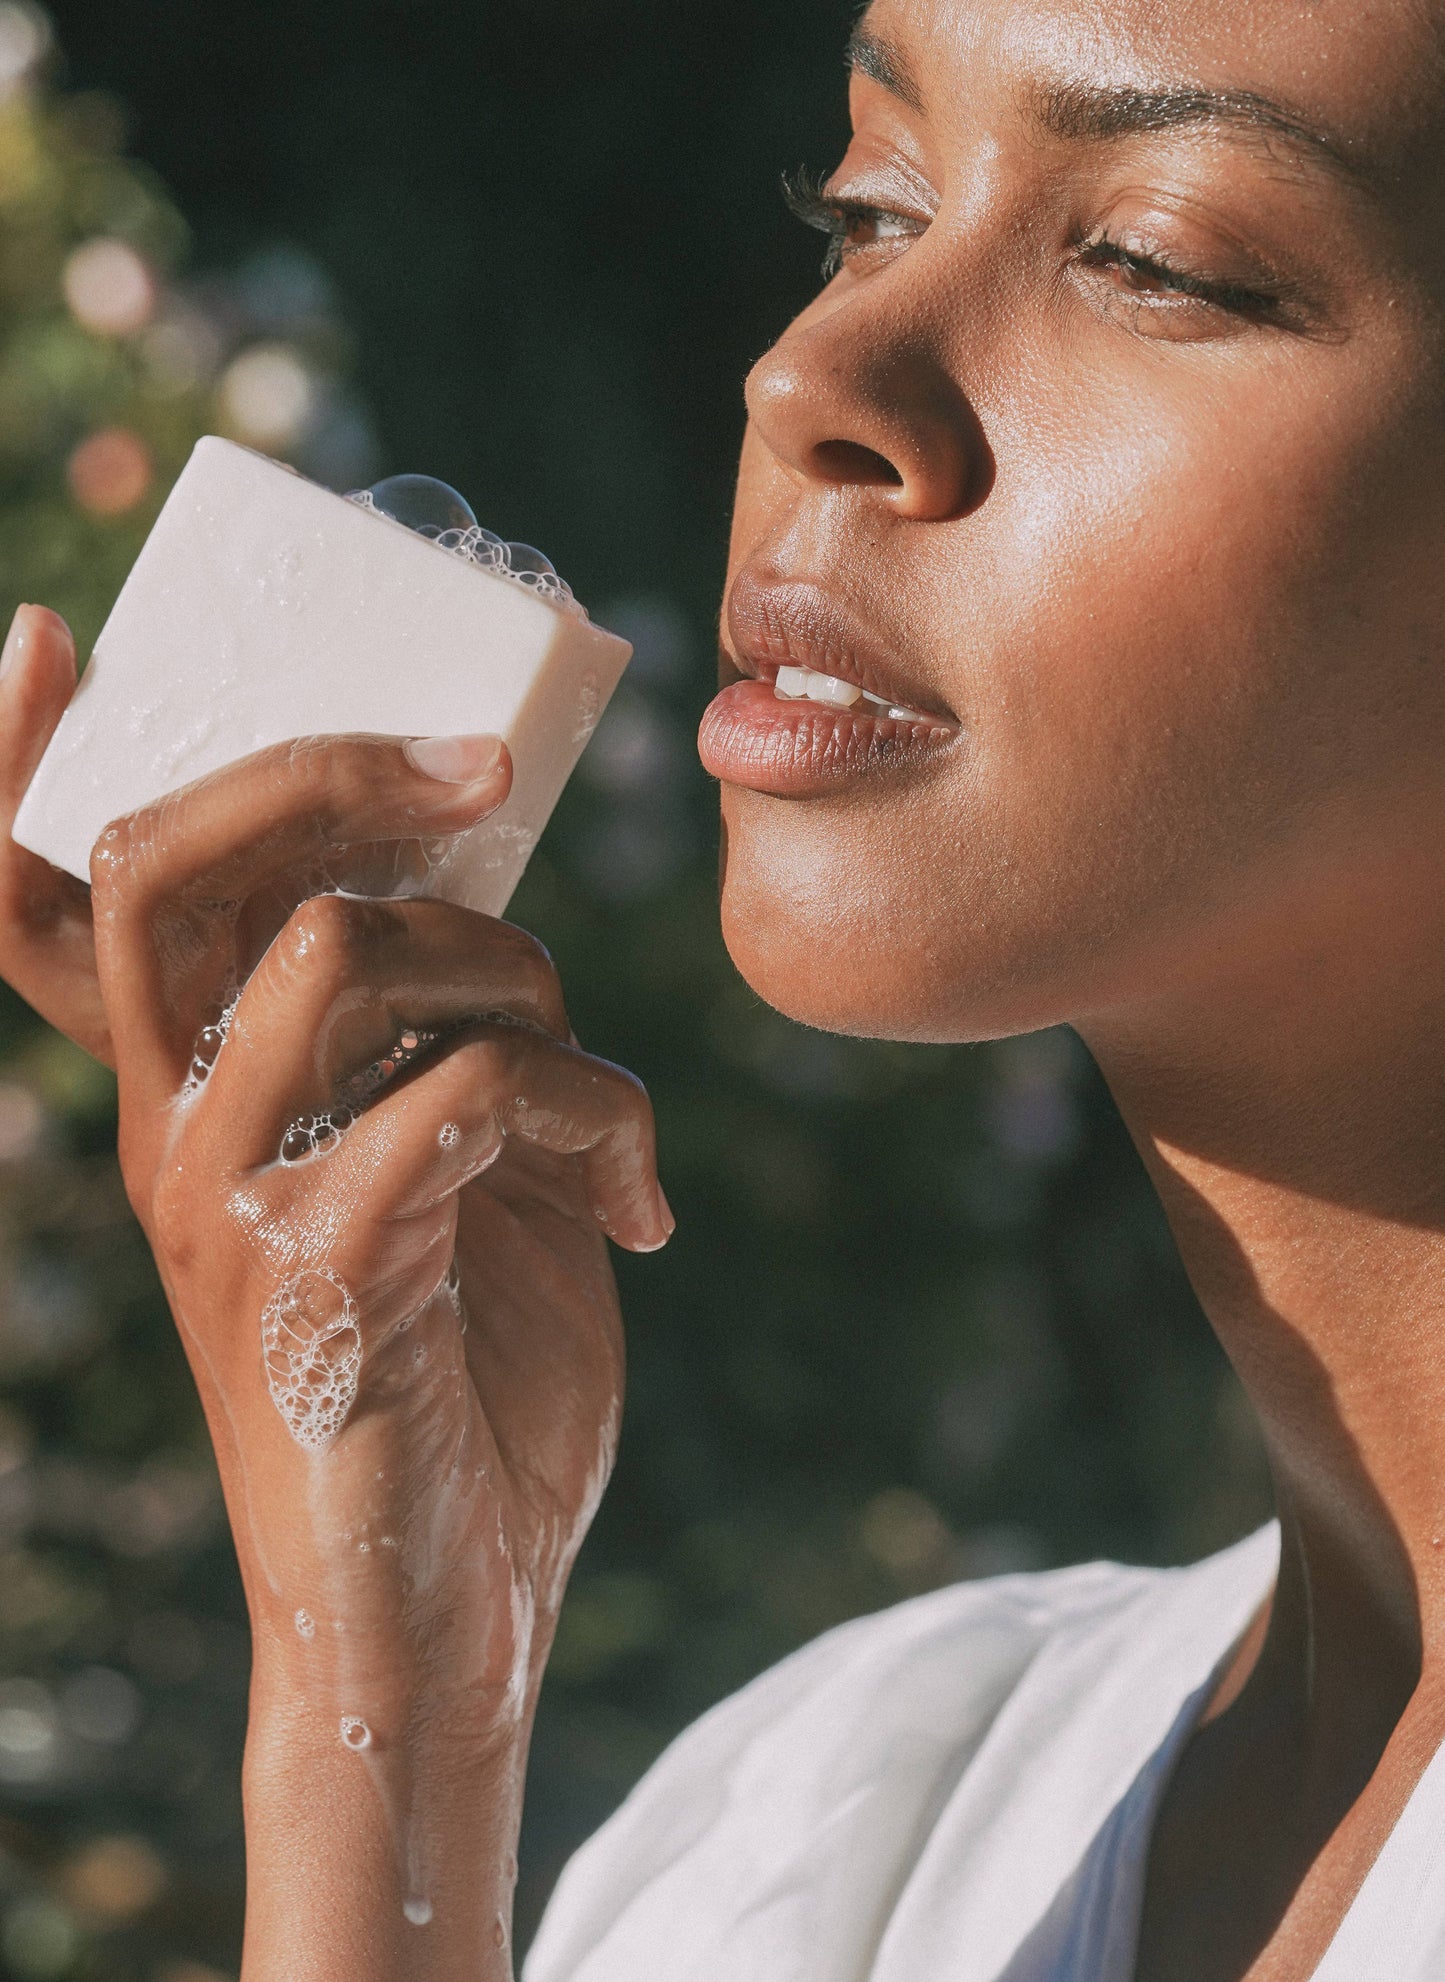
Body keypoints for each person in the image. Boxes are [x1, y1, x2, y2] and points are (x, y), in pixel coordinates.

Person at [3, 0, 1445, 1971]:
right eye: (869, 205)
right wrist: (394, 1733)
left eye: (1153, 258)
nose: (808, 373)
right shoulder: (826, 1830)